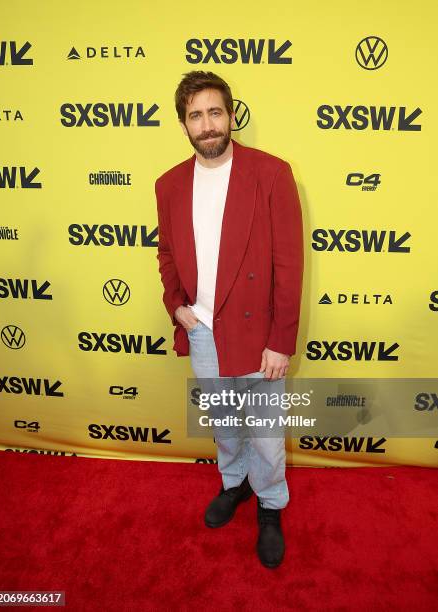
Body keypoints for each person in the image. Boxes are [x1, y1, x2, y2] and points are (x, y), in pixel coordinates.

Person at [155, 70, 304, 568]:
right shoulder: (169, 184)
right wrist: (177, 306)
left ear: (231, 115)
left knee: (264, 429)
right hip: (202, 330)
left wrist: (281, 342)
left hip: (259, 334)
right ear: (184, 125)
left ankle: (270, 504)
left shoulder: (272, 174)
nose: (207, 124)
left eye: (215, 112)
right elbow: (168, 254)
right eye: (195, 115)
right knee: (223, 423)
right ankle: (234, 484)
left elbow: (289, 263)